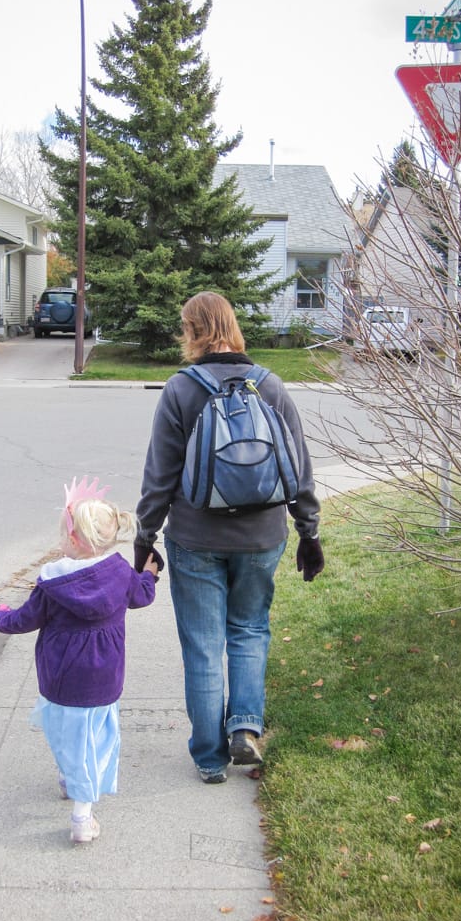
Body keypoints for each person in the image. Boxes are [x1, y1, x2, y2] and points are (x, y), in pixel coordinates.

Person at [134, 291, 324, 785]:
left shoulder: (180, 390)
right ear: (232, 326)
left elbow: (159, 476)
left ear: (192, 331)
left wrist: (144, 536)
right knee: (250, 629)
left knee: (202, 646)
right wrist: (308, 531)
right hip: (262, 537)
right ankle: (244, 726)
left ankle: (209, 757)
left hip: (195, 537)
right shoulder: (270, 385)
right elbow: (298, 467)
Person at [0, 477, 158, 843]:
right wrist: (149, 575)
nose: (60, 540)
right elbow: (142, 596)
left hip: (60, 675)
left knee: (64, 729)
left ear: (75, 540)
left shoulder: (52, 583)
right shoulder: (121, 573)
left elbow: (23, 620)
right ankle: (82, 813)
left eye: (63, 534)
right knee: (95, 739)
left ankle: (72, 787)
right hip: (104, 676)